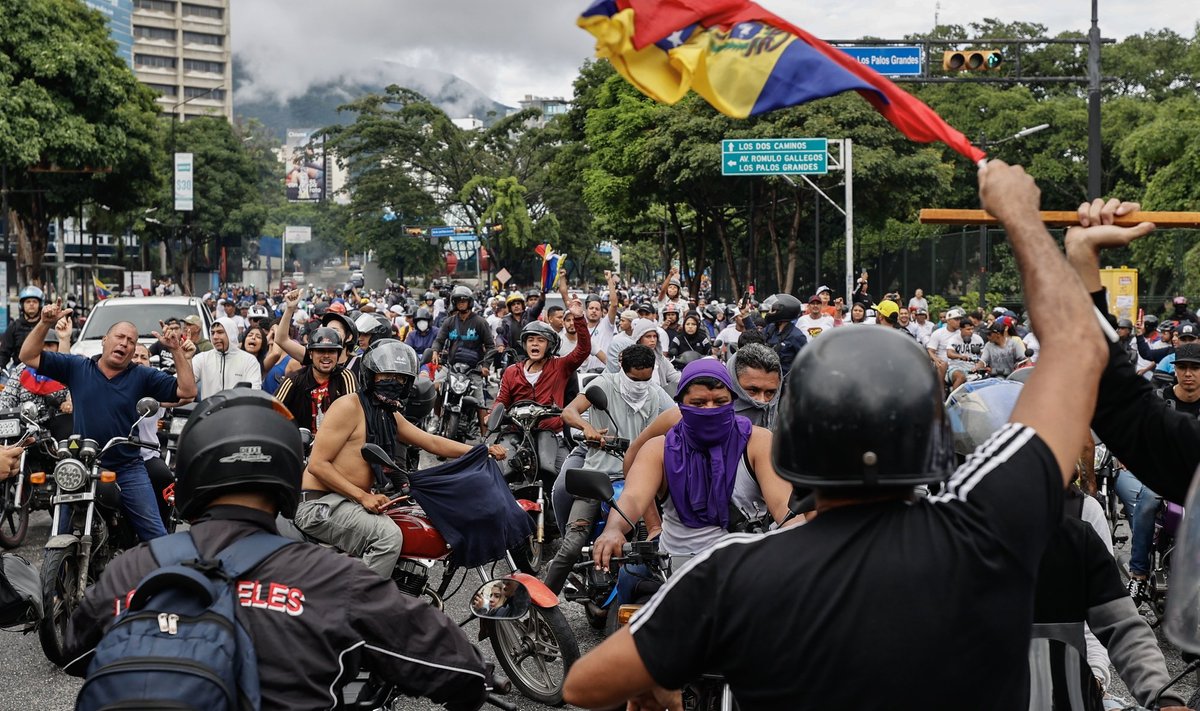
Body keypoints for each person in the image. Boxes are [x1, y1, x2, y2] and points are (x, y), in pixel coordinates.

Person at [564, 160, 1110, 710]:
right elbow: (1077, 351)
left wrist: (661, 683)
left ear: (794, 440)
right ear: (932, 437)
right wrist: (1024, 220)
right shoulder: (990, 527)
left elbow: (585, 685)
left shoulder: (731, 572)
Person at [59, 389, 491, 710]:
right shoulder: (333, 579)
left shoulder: (131, 569)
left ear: (190, 469)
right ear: (286, 473)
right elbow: (457, 666)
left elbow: (76, 651)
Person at [295, 340, 505, 580]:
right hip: (319, 504)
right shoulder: (349, 406)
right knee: (387, 537)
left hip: (346, 501)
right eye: (387, 375)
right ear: (371, 375)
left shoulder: (387, 415)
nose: (394, 382)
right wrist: (363, 496)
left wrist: (480, 450)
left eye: (400, 378)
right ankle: (359, 610)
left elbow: (431, 442)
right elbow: (318, 464)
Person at [21, 301, 197, 542]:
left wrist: (176, 350)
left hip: (127, 467)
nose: (124, 343)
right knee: (58, 535)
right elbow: (28, 356)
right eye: (119, 337)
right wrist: (44, 323)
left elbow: (187, 391)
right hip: (83, 464)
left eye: (131, 341)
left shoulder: (142, 375)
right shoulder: (78, 367)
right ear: (105, 340)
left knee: (156, 537)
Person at [546, 344, 675, 594]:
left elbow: (678, 417)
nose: (640, 384)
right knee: (572, 545)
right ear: (623, 370)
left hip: (639, 479)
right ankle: (539, 607)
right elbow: (569, 412)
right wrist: (587, 428)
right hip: (598, 476)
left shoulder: (655, 392)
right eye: (635, 379)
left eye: (646, 379)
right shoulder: (605, 384)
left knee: (661, 540)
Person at [431, 286, 495, 435]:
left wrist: (485, 366)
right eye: (458, 301)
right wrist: (435, 352)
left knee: (480, 402)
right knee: (436, 387)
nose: (461, 303)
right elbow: (439, 340)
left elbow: (491, 346)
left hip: (473, 369)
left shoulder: (480, 322)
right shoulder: (449, 322)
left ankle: (484, 438)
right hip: (452, 366)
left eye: (464, 301)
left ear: (470, 302)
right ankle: (435, 417)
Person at [273, 328, 358, 433]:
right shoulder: (294, 380)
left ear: (338, 354)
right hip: (301, 446)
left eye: (331, 351)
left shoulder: (346, 377)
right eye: (320, 351)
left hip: (338, 445)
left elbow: (355, 414)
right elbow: (272, 411)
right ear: (310, 353)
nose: (326, 356)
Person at [0, 318, 74, 425]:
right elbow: (7, 398)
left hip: (57, 427)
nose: (45, 350)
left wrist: (69, 403)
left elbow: (74, 391)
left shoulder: (65, 367)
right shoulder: (21, 369)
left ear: (58, 347)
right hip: (25, 429)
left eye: (50, 345)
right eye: (41, 345)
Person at [188, 322, 263, 400]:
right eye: (212, 333)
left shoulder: (250, 361)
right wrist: (186, 359)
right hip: (209, 411)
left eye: (220, 332)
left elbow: (255, 392)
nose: (215, 337)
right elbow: (183, 384)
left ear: (231, 334)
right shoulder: (202, 358)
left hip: (239, 411)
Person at [760, 294, 807, 377]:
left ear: (783, 312)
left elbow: (807, 361)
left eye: (773, 310)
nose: (770, 313)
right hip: (767, 378)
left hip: (785, 383)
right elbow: (755, 338)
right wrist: (745, 316)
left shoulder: (797, 336)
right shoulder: (770, 329)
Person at [0, 286, 46, 370]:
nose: (31, 304)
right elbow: (4, 353)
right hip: (19, 370)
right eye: (28, 302)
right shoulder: (14, 327)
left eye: (34, 302)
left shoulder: (46, 325)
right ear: (22, 305)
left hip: (43, 370)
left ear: (40, 305)